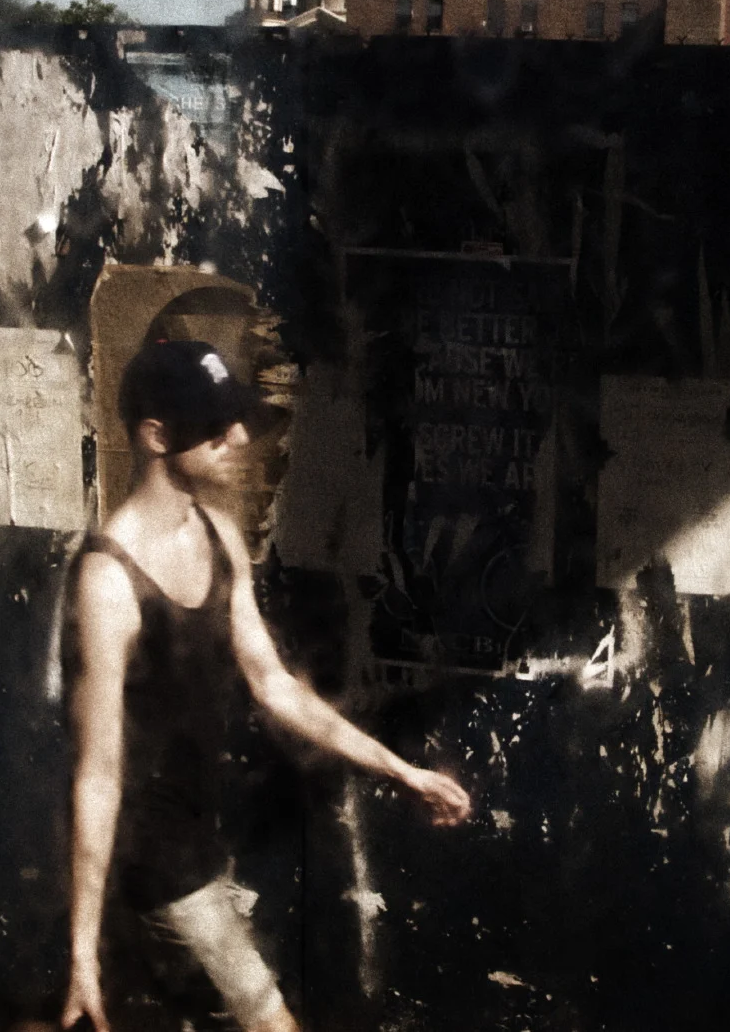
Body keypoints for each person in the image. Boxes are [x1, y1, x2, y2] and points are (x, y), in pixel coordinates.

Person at [62, 339, 471, 1032]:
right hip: (152, 855)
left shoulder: (218, 535)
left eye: (237, 419)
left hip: (200, 837)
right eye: (215, 427)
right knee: (270, 1023)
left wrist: (401, 771)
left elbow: (274, 684)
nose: (240, 438)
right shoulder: (108, 581)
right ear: (156, 435)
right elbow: (97, 773)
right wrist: (81, 955)